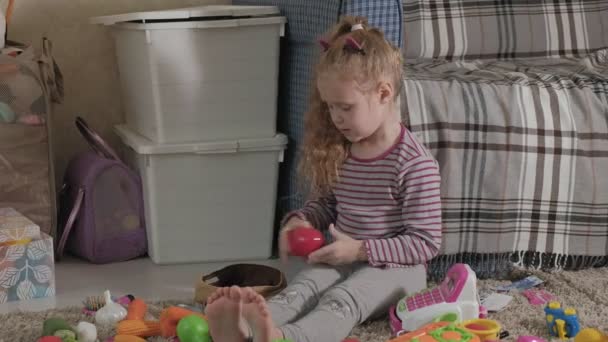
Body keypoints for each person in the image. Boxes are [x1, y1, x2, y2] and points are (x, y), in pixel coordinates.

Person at [205, 15, 443, 342]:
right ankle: (244, 329)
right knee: (302, 288)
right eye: (330, 107)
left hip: (399, 270)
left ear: (384, 93)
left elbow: (425, 242)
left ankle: (286, 338)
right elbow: (328, 204)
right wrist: (300, 220)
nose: (336, 118)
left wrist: (360, 250)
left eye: (345, 107)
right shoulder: (343, 150)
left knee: (341, 300)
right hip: (344, 258)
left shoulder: (415, 164)